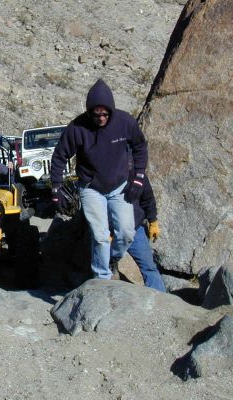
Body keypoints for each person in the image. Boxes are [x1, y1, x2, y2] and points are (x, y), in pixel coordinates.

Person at [51, 78, 148, 280]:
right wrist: (56, 188)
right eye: (96, 114)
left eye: (105, 114)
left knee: (126, 233)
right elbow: (59, 156)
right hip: (91, 188)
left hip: (119, 186)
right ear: (89, 112)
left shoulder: (125, 122)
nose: (101, 118)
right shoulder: (77, 128)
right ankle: (102, 277)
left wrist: (138, 177)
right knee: (101, 236)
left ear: (111, 110)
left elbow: (140, 147)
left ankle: (110, 259)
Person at [112, 175, 166, 292]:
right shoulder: (100, 171)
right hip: (110, 232)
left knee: (149, 268)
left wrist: (153, 221)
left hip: (135, 228)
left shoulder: (136, 171)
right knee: (102, 267)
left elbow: (147, 197)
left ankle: (161, 299)